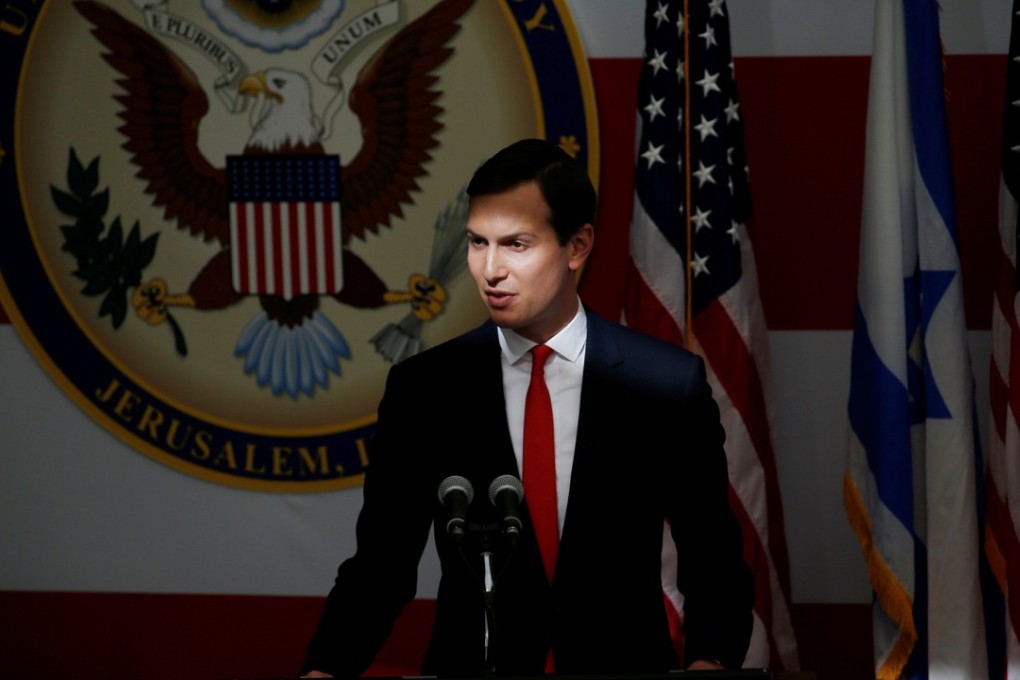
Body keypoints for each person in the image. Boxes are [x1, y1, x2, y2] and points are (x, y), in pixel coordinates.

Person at [300, 138, 753, 677]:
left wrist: (711, 661)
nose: (489, 270)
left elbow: (712, 558)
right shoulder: (424, 388)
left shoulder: (664, 385)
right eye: (476, 242)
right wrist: (324, 669)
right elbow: (381, 566)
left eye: (515, 244)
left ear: (577, 245)